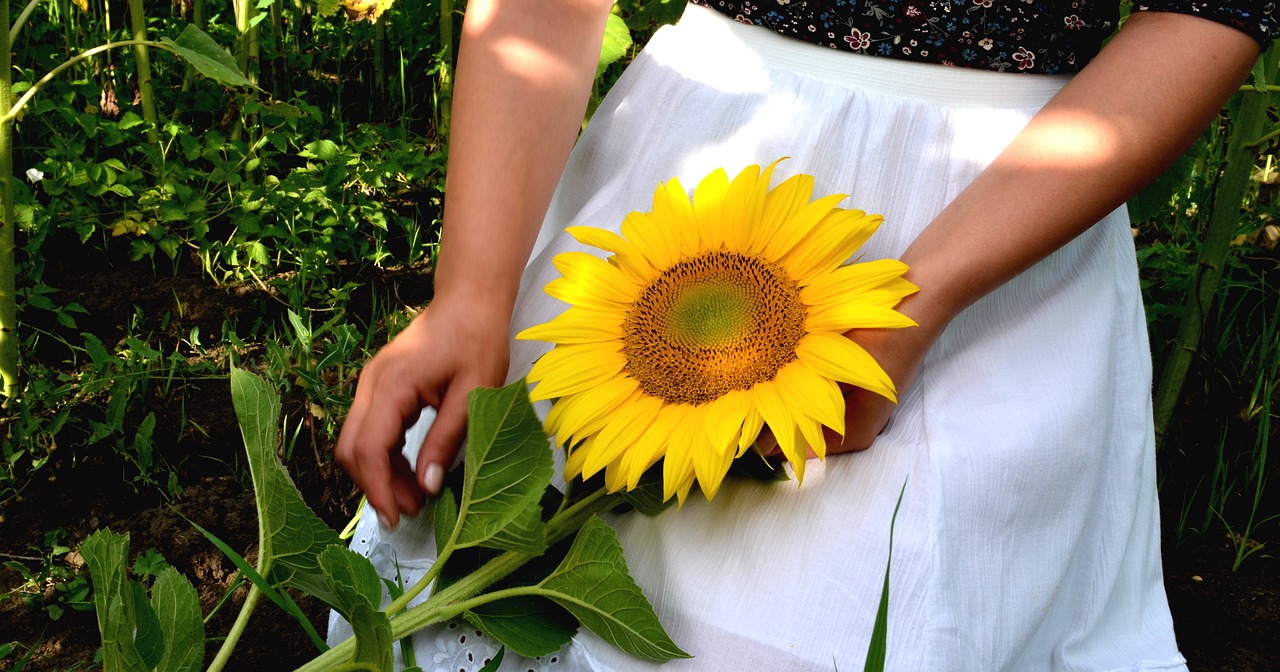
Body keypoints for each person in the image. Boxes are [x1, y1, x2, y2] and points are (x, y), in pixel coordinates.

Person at [332, 1, 1273, 670]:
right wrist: (469, 292)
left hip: (997, 216)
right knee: (507, 588)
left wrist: (916, 299)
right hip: (682, 173)